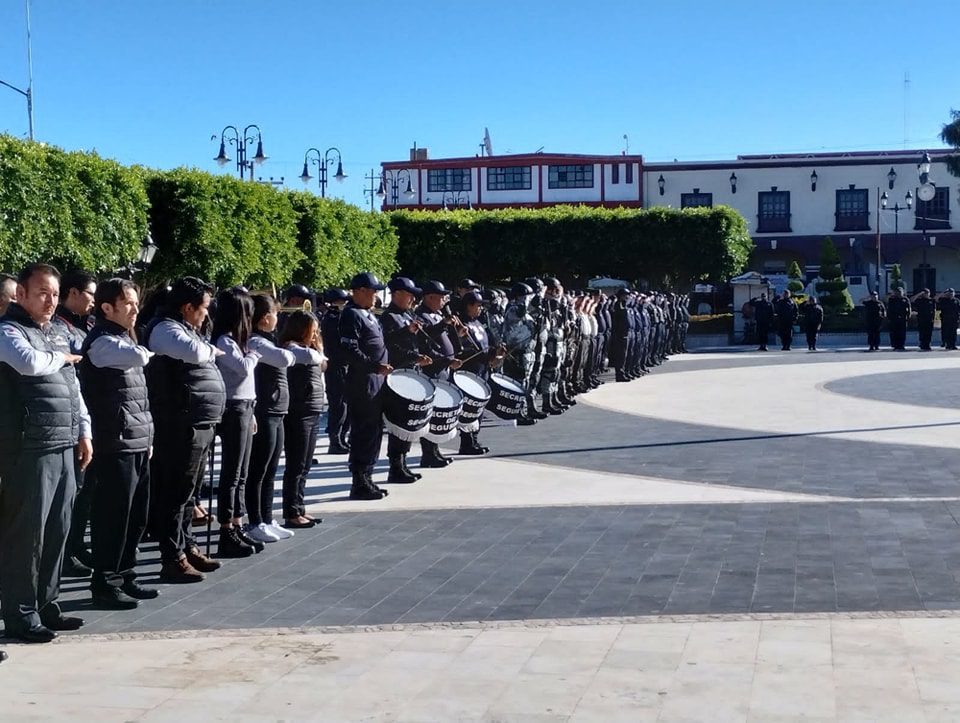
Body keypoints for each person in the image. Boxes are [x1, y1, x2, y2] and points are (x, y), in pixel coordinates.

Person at [0, 263, 91, 643]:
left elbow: (74, 388)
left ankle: (47, 603)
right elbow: (29, 363)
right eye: (42, 293)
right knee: (28, 536)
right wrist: (64, 358)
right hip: (29, 447)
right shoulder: (8, 331)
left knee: (58, 529)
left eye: (54, 294)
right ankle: (21, 614)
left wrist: (84, 430)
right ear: (20, 294)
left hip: (64, 443)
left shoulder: (56, 332)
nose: (50, 301)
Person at [80, 278, 158, 609]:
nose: (135, 309)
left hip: (137, 440)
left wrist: (148, 436)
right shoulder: (101, 343)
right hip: (116, 441)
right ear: (106, 307)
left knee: (135, 516)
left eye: (136, 302)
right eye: (128, 303)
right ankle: (105, 582)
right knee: (113, 516)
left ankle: (126, 574)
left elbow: (139, 396)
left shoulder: (124, 338)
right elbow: (140, 357)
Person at [144, 276, 225, 583]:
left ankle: (186, 545)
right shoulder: (165, 329)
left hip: (198, 420)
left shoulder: (188, 328)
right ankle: (172, 556)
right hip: (179, 420)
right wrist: (210, 350)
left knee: (190, 492)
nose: (206, 314)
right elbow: (195, 353)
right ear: (188, 307)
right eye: (204, 307)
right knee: (175, 491)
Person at [244, 295, 304, 544]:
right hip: (265, 409)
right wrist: (289, 350)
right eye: (275, 314)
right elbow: (285, 359)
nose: (278, 319)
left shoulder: (268, 340)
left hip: (278, 409)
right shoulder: (255, 340)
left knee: (270, 470)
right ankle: (255, 521)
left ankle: (268, 518)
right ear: (265, 317)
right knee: (258, 469)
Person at [211, 287, 263, 558]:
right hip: (233, 407)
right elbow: (241, 367)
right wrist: (254, 354)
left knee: (242, 472)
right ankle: (226, 528)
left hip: (245, 405)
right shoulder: (224, 340)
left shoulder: (238, 340)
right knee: (231, 473)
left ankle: (238, 522)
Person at [56, 270, 98, 577]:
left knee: (84, 491)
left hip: (85, 414)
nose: (93, 301)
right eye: (89, 294)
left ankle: (76, 544)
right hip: (67, 415)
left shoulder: (86, 324)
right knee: (71, 492)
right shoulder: (60, 327)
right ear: (73, 293)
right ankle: (65, 551)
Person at [339, 272, 391, 499]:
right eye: (372, 291)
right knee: (363, 431)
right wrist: (373, 366)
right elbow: (350, 350)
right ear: (359, 291)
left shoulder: (368, 314)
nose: (375, 296)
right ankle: (359, 480)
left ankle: (368, 476)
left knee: (374, 430)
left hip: (376, 380)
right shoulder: (351, 315)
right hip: (363, 381)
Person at [380, 276, 431, 483]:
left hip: (411, 370)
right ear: (397, 294)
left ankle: (403, 462)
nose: (412, 299)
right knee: (399, 421)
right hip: (397, 372)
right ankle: (395, 466)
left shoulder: (407, 315)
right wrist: (411, 352)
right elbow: (389, 345)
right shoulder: (389, 317)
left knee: (408, 421)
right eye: (409, 295)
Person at [279, 310, 327, 527]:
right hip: (300, 410)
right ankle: (291, 511)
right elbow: (313, 358)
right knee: (296, 464)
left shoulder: (309, 348)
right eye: (312, 331)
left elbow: (322, 362)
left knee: (305, 464)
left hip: (313, 409)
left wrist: (319, 346)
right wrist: (319, 352)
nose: (315, 335)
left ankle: (299, 506)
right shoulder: (291, 348)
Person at [415, 280, 466, 467]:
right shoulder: (421, 315)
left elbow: (445, 340)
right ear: (429, 297)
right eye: (441, 296)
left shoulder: (437, 315)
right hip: (432, 369)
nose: (444, 300)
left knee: (439, 412)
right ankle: (427, 453)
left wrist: (457, 332)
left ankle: (435, 450)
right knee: (431, 412)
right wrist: (446, 360)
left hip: (443, 369)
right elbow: (426, 342)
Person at [456, 290, 504, 455]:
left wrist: (495, 353)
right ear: (468, 305)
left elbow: (487, 345)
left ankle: (474, 439)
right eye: (478, 305)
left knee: (480, 409)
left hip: (483, 370)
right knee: (470, 408)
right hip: (469, 371)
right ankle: (466, 442)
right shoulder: (461, 323)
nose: (480, 309)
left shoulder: (480, 323)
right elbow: (462, 349)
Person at [321, 288, 351, 455]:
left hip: (342, 365)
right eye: (343, 302)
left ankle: (341, 438)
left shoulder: (337, 317)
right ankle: (335, 440)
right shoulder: (332, 319)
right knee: (338, 405)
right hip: (335, 366)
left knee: (345, 404)